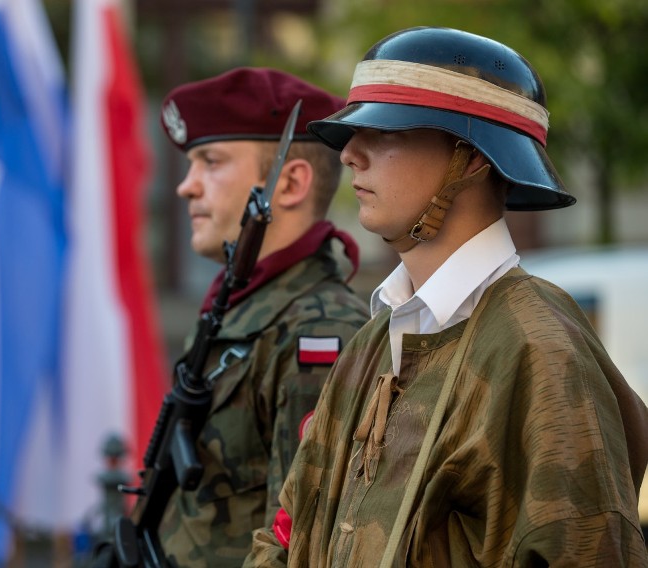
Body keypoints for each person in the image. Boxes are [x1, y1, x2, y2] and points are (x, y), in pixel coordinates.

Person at [246, 26, 648, 567]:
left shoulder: (541, 351)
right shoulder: (373, 342)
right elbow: (288, 535)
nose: (350, 155)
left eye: (387, 134)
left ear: (474, 159)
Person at [156, 67, 370, 567]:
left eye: (210, 162)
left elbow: (301, 542)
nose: (187, 186)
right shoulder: (239, 308)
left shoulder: (317, 332)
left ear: (291, 183)